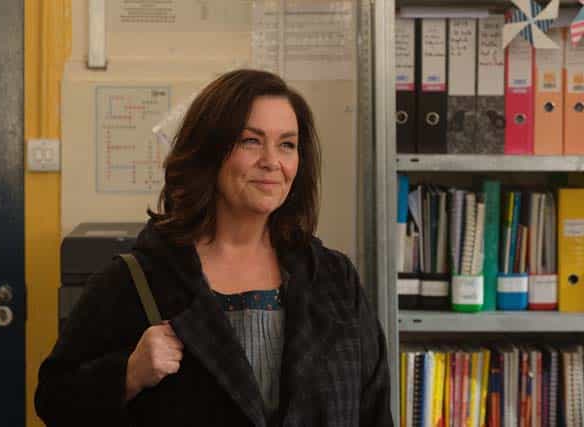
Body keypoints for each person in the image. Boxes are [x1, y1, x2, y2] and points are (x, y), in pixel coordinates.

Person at [35, 69, 393, 426]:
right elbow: (54, 400)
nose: (272, 161)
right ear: (208, 152)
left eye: (287, 144)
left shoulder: (334, 280)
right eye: (250, 141)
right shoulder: (137, 280)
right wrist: (128, 374)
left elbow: (374, 410)